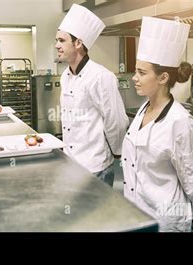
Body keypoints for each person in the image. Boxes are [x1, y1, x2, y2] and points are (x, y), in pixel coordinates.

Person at [121, 17, 193, 232]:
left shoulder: (181, 123)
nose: (134, 78)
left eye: (141, 72)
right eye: (135, 71)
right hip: (135, 212)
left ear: (163, 78)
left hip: (166, 221)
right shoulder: (144, 109)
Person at [55, 4, 129, 186]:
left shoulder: (101, 77)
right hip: (71, 161)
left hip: (95, 167)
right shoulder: (65, 76)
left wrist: (116, 152)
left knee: (98, 214)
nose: (57, 45)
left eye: (62, 40)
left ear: (78, 43)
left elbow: (116, 121)